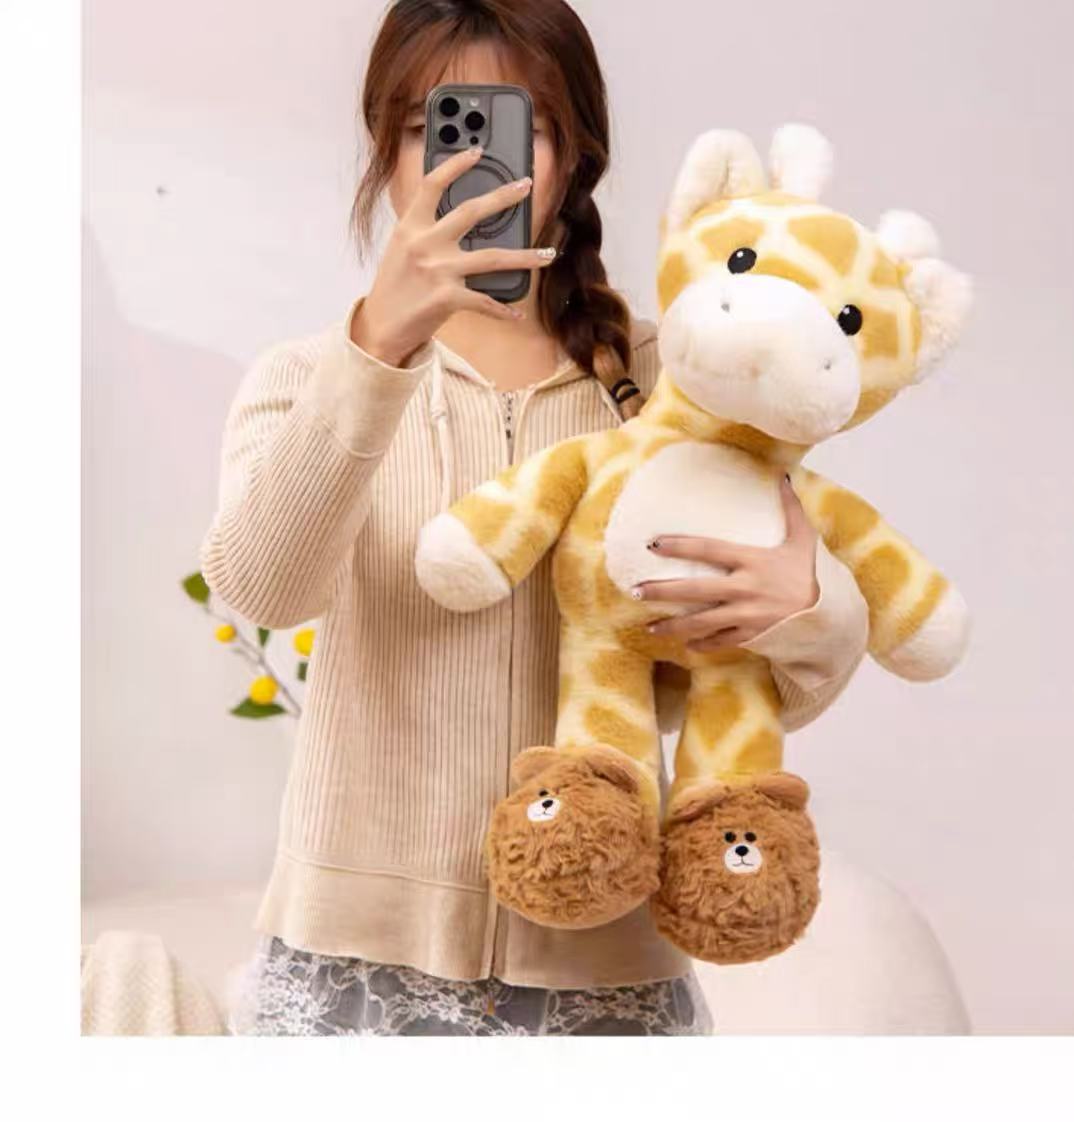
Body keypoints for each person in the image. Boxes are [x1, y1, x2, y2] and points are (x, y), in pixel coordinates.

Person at [201, 0, 870, 1036]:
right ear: (385, 151)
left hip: (606, 954)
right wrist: (377, 353)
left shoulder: (679, 382)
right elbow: (262, 587)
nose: (471, 164)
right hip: (354, 965)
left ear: (574, 157)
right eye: (432, 126)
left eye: (520, 128)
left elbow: (748, 691)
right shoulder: (309, 376)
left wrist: (811, 610)